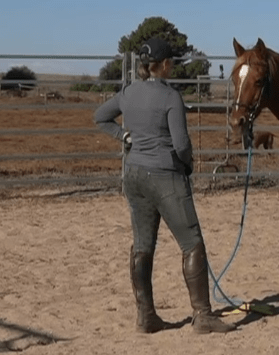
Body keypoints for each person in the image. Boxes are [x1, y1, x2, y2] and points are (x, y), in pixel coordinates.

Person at [93, 37, 236, 334]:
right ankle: (203, 315)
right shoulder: (171, 97)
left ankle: (146, 315)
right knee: (191, 241)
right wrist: (188, 164)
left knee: (143, 246)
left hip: (134, 175)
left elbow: (100, 117)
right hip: (165, 175)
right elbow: (181, 144)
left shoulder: (128, 92)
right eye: (172, 61)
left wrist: (124, 136)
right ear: (165, 64)